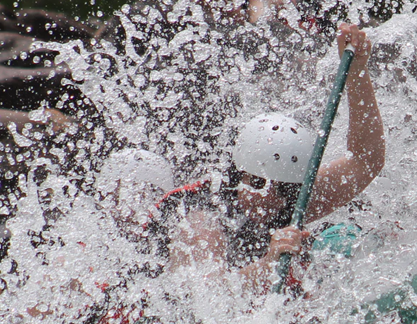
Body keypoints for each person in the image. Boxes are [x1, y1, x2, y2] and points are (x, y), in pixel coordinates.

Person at [164, 22, 385, 292]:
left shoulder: (290, 198)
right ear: (238, 176)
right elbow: (205, 297)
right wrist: (268, 262)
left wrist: (358, 71)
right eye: (257, 183)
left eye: (282, 189)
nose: (269, 196)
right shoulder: (203, 217)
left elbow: (365, 161)